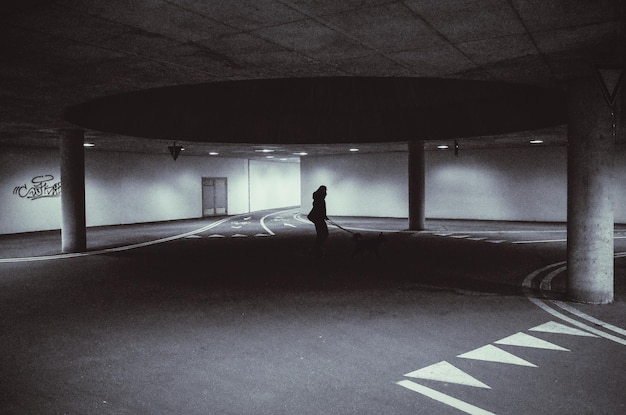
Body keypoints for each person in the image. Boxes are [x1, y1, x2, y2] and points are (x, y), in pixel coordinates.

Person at [307, 185, 328, 257]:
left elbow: (321, 209)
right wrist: (323, 216)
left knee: (321, 234)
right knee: (323, 233)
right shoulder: (320, 200)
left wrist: (324, 216)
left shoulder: (318, 199)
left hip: (317, 218)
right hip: (318, 218)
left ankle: (317, 248)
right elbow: (320, 209)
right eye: (325, 191)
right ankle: (317, 249)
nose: (326, 193)